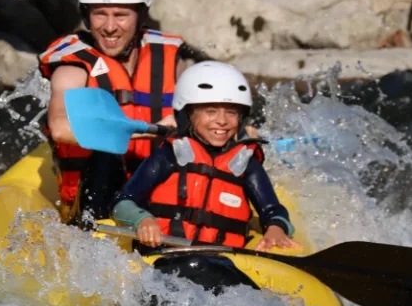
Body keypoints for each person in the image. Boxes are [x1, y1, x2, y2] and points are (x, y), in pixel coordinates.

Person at [38, 0, 185, 223]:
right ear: (86, 15)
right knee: (106, 158)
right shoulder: (73, 67)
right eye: (99, 14)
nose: (109, 27)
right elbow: (60, 128)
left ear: (140, 15)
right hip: (97, 199)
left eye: (121, 15)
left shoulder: (170, 60)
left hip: (155, 193)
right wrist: (151, 130)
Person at [111, 61, 300, 253]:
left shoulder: (244, 163)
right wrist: (142, 220)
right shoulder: (169, 155)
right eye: (210, 111)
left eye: (232, 112)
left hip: (224, 262)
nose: (222, 121)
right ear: (188, 115)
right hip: (165, 255)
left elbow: (273, 210)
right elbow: (122, 202)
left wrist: (276, 228)